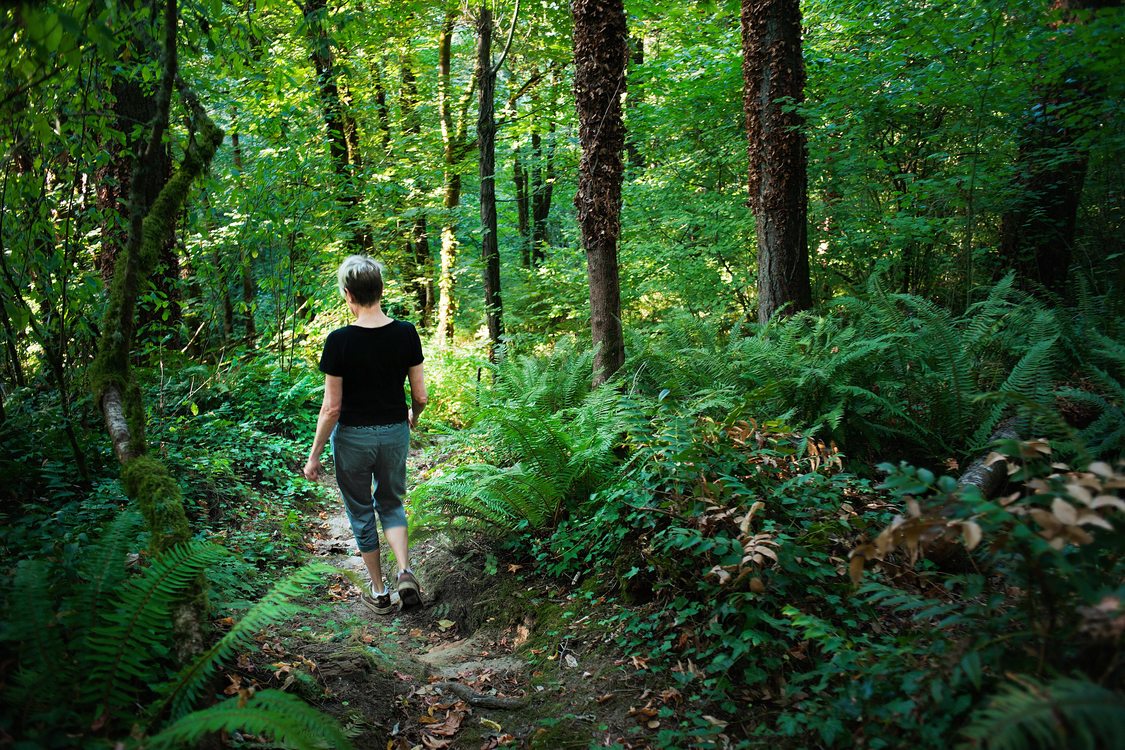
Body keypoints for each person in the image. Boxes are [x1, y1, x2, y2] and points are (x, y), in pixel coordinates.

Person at [303, 255, 427, 614]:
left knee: (360, 512)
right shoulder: (406, 332)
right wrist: (412, 418)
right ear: (381, 290)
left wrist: (314, 456)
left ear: (348, 295)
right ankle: (405, 571)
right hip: (393, 434)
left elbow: (331, 409)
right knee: (391, 503)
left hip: (353, 439)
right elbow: (420, 396)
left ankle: (379, 592)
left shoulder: (339, 341)